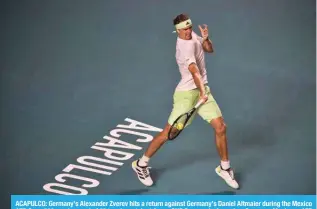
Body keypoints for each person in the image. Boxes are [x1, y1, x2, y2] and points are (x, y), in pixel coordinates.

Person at [132, 13, 239, 189]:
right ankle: (141, 164)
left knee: (221, 127)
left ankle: (225, 168)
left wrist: (206, 39)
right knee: (168, 132)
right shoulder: (183, 48)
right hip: (187, 95)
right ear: (177, 31)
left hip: (202, 92)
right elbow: (194, 71)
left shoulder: (192, 36)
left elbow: (209, 50)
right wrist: (202, 91)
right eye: (185, 29)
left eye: (190, 27)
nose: (189, 31)